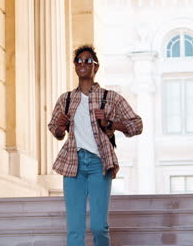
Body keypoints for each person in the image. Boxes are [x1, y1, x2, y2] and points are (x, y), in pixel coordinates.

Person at [48, 45, 143, 246]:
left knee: (99, 226)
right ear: (75, 66)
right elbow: (56, 132)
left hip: (99, 164)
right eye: (79, 61)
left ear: (96, 67)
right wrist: (60, 127)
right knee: (75, 228)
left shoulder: (110, 97)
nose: (83, 64)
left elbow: (137, 125)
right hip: (73, 165)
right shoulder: (65, 100)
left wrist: (110, 123)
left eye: (88, 61)